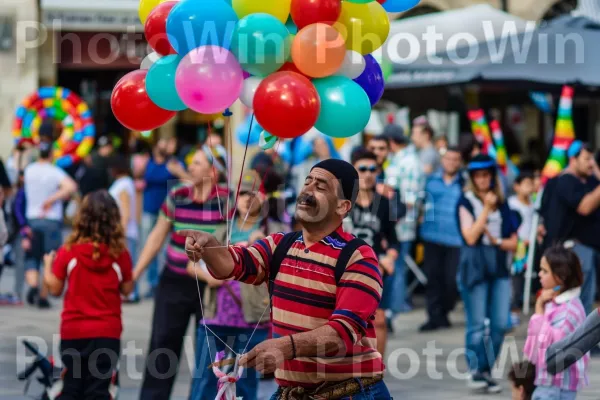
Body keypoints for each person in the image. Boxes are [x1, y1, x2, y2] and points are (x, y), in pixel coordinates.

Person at [182, 159, 389, 399]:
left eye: (320, 187)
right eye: (307, 182)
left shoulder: (358, 257)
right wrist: (209, 247)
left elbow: (341, 333)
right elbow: (234, 264)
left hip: (352, 393)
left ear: (342, 207)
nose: (307, 191)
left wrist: (285, 347)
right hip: (291, 392)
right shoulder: (280, 244)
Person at [134, 149, 228, 400]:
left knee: (206, 355)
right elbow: (156, 237)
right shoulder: (177, 195)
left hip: (210, 286)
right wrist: (135, 274)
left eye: (197, 163)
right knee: (162, 345)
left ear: (213, 171)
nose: (191, 167)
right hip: (174, 281)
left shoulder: (227, 201)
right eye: (191, 163)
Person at [190, 171, 288, 400]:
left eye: (251, 193)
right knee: (204, 381)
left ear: (263, 198)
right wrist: (209, 277)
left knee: (245, 383)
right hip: (216, 316)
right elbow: (192, 264)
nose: (246, 198)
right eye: (241, 194)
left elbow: (284, 269)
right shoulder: (223, 230)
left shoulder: (274, 231)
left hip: (252, 317)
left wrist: (261, 244)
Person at [43, 190, 134, 399]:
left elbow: (55, 289)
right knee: (99, 391)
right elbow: (127, 290)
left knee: (71, 388)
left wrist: (48, 267)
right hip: (107, 333)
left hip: (74, 331)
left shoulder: (69, 251)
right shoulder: (120, 254)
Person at [457, 154, 518, 393]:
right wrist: (486, 209)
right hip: (474, 266)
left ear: (493, 177)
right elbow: (470, 236)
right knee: (476, 324)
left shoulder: (504, 203)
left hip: (499, 265)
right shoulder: (465, 201)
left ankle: (484, 369)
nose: (482, 179)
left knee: (501, 323)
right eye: (478, 176)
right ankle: (477, 371)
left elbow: (515, 242)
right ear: (472, 178)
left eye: (486, 175)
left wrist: (498, 240)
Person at [346, 148, 398, 356]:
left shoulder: (384, 203)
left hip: (375, 268)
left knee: (380, 321)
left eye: (372, 169)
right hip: (346, 268)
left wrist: (390, 257)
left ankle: (377, 370)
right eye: (362, 169)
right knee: (347, 322)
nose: (368, 174)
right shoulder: (343, 201)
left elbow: (394, 240)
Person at [540, 141, 600, 315]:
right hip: (575, 249)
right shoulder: (565, 181)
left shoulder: (589, 180)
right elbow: (585, 206)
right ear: (573, 160)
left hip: (589, 248)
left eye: (593, 159)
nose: (591, 163)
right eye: (587, 159)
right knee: (579, 303)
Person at [524, 246, 589, 400]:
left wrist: (539, 311)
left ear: (561, 277)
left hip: (556, 387)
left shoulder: (568, 311)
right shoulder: (555, 302)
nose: (539, 275)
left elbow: (549, 348)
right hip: (549, 384)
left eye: (545, 271)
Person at [23, 141, 77, 308]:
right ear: (51, 154)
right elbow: (72, 187)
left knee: (32, 256)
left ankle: (33, 285)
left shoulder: (29, 171)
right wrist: (52, 199)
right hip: (51, 220)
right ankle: (43, 295)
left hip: (32, 218)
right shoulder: (55, 172)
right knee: (49, 258)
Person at [419, 146, 464, 332]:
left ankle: (444, 310)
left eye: (455, 159)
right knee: (433, 279)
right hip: (431, 236)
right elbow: (418, 201)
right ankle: (434, 316)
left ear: (460, 162)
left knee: (451, 280)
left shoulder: (465, 182)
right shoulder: (430, 180)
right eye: (448, 159)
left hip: (456, 239)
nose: (451, 162)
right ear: (442, 160)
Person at [383, 124, 424, 322]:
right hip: (395, 223)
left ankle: (394, 310)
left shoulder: (409, 162)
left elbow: (409, 200)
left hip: (401, 225)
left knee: (397, 268)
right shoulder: (400, 160)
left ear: (391, 142)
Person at [140, 138, 188, 298]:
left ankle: (164, 281)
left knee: (166, 249)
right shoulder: (148, 163)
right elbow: (139, 180)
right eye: (162, 144)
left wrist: (177, 171)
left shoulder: (174, 163)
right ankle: (152, 283)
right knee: (149, 246)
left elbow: (188, 181)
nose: (164, 146)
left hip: (169, 213)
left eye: (166, 144)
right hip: (149, 210)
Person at [109, 155, 140, 302]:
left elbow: (125, 211)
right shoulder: (126, 183)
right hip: (125, 230)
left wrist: (122, 231)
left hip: (125, 231)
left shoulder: (123, 184)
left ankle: (131, 293)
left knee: (127, 262)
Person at [508, 172, 535, 326]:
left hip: (530, 247)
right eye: (526, 184)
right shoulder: (511, 203)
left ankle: (520, 303)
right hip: (517, 246)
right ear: (516, 187)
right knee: (515, 277)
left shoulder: (533, 204)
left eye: (531, 184)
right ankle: (513, 310)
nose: (529, 188)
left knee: (527, 277)